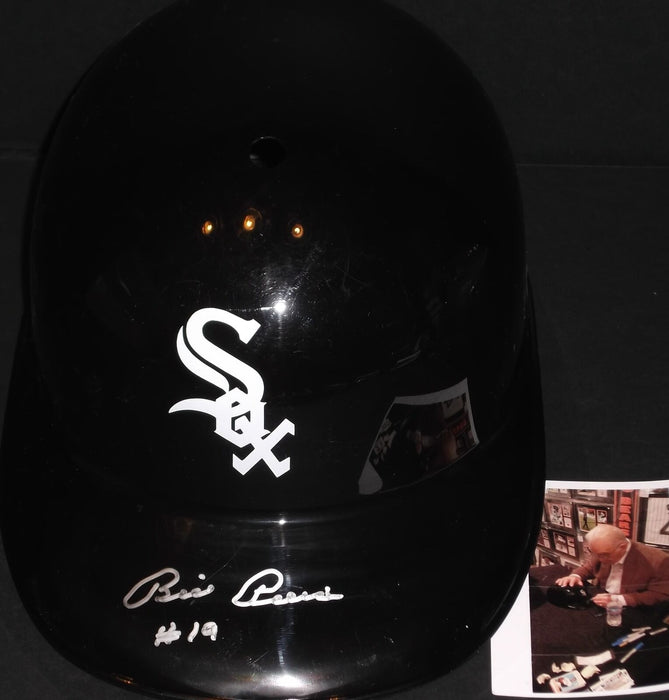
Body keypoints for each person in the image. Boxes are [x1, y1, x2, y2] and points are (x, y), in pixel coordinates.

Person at [555, 523, 669, 607]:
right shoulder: (602, 550)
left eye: (604, 555)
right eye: (595, 553)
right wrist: (575, 576)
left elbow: (661, 594)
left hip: (634, 609)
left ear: (623, 547)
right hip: (602, 598)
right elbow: (589, 567)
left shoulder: (659, 560)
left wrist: (621, 600)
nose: (600, 559)